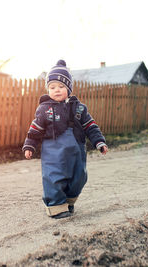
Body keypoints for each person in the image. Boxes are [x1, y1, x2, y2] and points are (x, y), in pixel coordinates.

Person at [22, 59, 108, 219]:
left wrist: (99, 141)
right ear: (48, 89)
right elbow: (35, 129)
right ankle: (56, 206)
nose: (57, 90)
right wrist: (30, 146)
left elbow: (90, 126)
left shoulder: (79, 108)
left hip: (76, 151)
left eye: (61, 86)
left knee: (79, 177)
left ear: (69, 88)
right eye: (52, 87)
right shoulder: (44, 109)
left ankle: (68, 201)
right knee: (53, 177)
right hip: (53, 153)